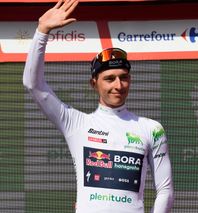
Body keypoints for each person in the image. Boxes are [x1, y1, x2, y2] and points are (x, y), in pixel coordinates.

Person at [22, 0, 174, 212]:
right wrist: (42, 32)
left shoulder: (151, 128)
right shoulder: (76, 123)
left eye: (124, 77)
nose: (118, 85)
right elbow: (33, 84)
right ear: (94, 83)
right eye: (109, 78)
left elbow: (165, 190)